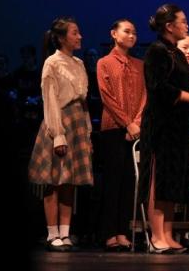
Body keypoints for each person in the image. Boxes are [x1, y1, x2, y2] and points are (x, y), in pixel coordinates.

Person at [138, 4, 189, 254]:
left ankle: (167, 233)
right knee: (158, 179)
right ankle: (156, 235)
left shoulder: (176, 53)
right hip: (161, 126)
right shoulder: (156, 51)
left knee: (172, 180)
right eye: (183, 21)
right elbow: (158, 87)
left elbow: (184, 82)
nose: (187, 25)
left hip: (178, 127)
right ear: (169, 26)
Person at [28, 17, 93, 251]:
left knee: (69, 182)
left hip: (77, 123)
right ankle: (52, 233)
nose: (79, 36)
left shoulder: (79, 63)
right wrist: (58, 135)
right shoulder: (52, 63)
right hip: (59, 122)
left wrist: (87, 132)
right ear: (62, 37)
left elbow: (83, 102)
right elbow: (50, 101)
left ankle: (65, 233)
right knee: (54, 180)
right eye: (75, 33)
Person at [96, 19, 146, 251]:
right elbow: (107, 96)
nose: (131, 35)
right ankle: (108, 232)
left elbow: (145, 96)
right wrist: (127, 123)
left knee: (129, 182)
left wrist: (137, 123)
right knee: (112, 181)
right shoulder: (104, 63)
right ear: (114, 34)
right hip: (113, 128)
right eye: (127, 31)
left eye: (134, 32)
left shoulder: (140, 64)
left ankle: (122, 231)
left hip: (135, 130)